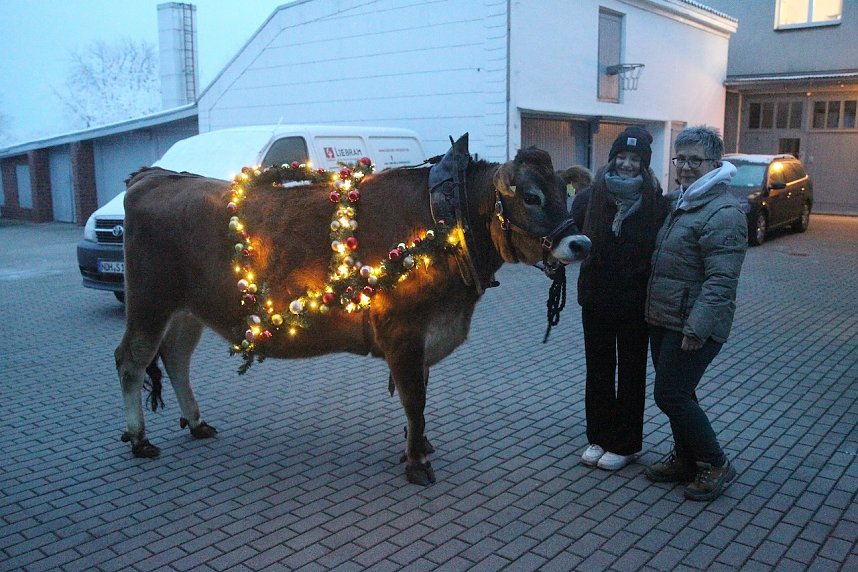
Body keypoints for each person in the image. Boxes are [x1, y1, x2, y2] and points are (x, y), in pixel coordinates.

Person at [644, 125, 748, 501]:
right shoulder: (685, 201)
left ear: (715, 164)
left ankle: (715, 462)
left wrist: (697, 327)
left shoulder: (724, 212)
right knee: (680, 392)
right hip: (666, 317)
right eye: (680, 159)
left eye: (694, 160)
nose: (685, 167)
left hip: (692, 323)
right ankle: (687, 459)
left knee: (670, 394)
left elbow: (722, 281)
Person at [571, 126, 669, 471]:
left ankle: (626, 444)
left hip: (635, 304)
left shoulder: (656, 203)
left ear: (644, 164)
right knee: (598, 370)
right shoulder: (589, 198)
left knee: (630, 373)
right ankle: (598, 437)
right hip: (595, 299)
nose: (627, 164)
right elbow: (567, 239)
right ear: (612, 159)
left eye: (635, 159)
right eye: (622, 157)